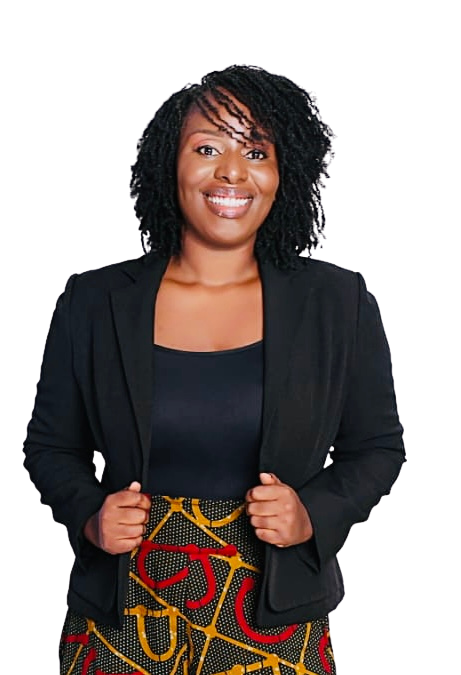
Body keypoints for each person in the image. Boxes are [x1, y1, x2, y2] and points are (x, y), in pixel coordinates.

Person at [23, 64, 405, 675]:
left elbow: (376, 449)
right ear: (169, 166)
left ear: (282, 174)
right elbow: (51, 447)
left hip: (272, 618)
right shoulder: (95, 301)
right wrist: (90, 517)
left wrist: (312, 514)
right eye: (207, 148)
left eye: (256, 151)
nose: (232, 171)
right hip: (123, 613)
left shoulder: (336, 302)